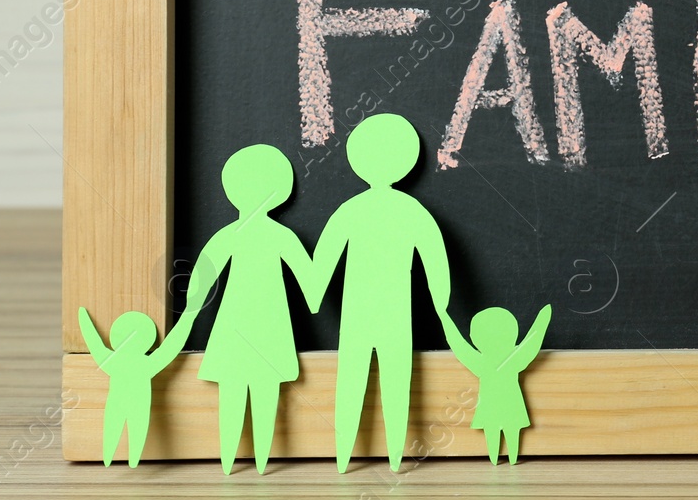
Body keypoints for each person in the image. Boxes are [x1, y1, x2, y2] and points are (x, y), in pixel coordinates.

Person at [309, 113, 450, 473]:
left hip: (357, 313)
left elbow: (322, 264)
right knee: (396, 381)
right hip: (394, 314)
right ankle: (394, 458)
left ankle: (343, 457)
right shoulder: (411, 209)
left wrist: (312, 296)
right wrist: (442, 305)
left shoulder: (351, 210)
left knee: (351, 379)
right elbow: (436, 261)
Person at [185, 143, 317, 474]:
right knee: (265, 389)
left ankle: (231, 458)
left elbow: (201, 280)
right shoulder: (281, 236)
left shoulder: (230, 234)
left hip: (235, 325)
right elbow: (312, 285)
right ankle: (259, 460)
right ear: (281, 191)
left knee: (233, 389)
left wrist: (189, 313)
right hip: (269, 327)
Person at [78, 303, 199, 467]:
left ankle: (113, 457)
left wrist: (83, 318)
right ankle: (127, 458)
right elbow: (171, 346)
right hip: (137, 404)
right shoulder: (148, 363)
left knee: (117, 427)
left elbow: (95, 344)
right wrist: (188, 316)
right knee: (134, 429)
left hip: (121, 403)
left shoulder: (113, 361)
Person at [440, 305, 552, 464]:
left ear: (476, 338)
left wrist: (444, 317)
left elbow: (459, 345)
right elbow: (532, 341)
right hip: (509, 404)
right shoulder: (514, 358)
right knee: (508, 430)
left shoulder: (481, 361)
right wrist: (542, 319)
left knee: (495, 431)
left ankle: (498, 458)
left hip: (492, 406)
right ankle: (509, 458)